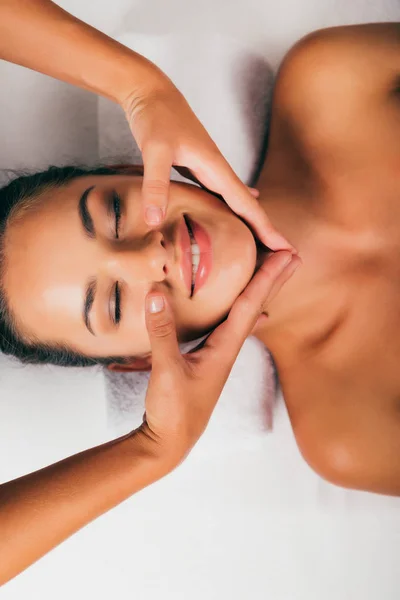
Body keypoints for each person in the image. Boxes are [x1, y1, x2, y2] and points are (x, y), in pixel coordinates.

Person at [0, 0, 300, 586]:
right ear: (142, 362)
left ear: (129, 165)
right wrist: (154, 450)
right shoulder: (345, 434)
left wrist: (140, 88)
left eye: (115, 212)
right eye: (115, 304)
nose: (152, 255)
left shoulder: (330, 79)